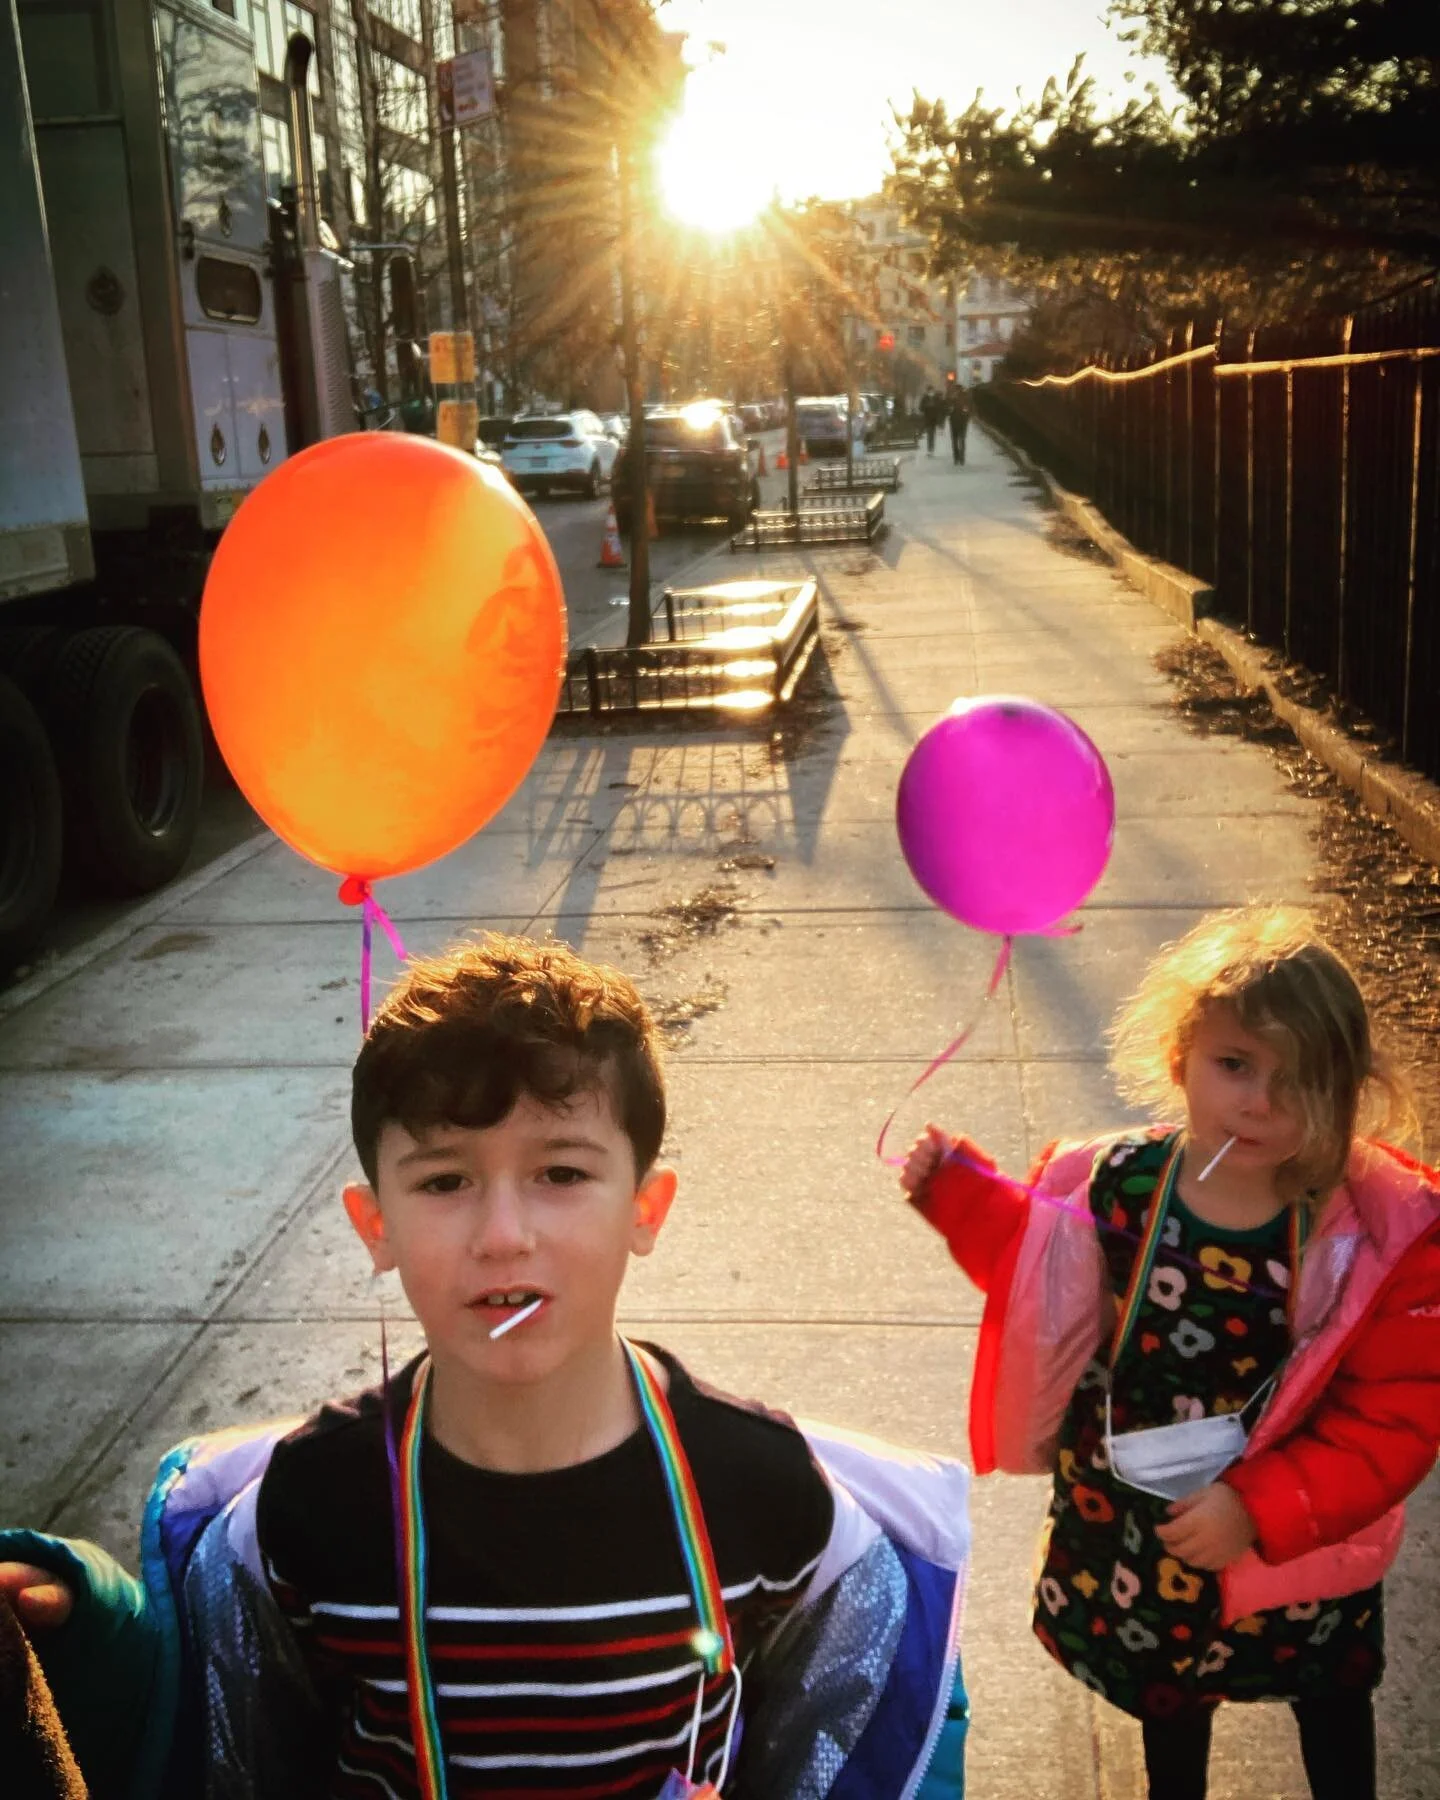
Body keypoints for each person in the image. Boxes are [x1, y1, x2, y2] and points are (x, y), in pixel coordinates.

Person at [2, 934, 972, 1798]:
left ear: (646, 1207)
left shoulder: (764, 1492)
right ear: (374, 1226)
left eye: (561, 1172)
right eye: (445, 1179)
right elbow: (212, 1725)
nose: (504, 1235)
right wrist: (86, 1636)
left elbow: (858, 1720)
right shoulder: (304, 1508)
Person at [898, 906, 1440, 1800]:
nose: (1261, 1100)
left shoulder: (1365, 1228)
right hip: (1148, 1505)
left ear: (1345, 1089)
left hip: (1295, 1520)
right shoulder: (1122, 1182)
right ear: (1182, 1054)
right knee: (1173, 1697)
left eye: (1298, 1080)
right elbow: (1049, 1291)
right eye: (1236, 1065)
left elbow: (1392, 1420)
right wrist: (966, 1201)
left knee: (1327, 1691)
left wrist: (1259, 1510)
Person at [946, 384, 970, 465]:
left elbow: (969, 408)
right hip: (956, 422)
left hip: (960, 422)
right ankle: (958, 458)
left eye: (957, 390)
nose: (956, 392)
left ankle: (959, 458)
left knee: (959, 440)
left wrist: (966, 412)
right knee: (957, 441)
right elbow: (947, 408)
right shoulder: (952, 398)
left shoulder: (965, 397)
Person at [920, 385, 941, 454]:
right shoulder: (925, 398)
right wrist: (926, 406)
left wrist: (935, 407)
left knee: (932, 434)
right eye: (929, 391)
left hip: (934, 419)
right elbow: (921, 408)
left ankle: (932, 448)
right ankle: (929, 449)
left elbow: (939, 407)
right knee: (929, 433)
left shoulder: (936, 398)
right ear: (927, 391)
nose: (930, 392)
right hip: (928, 418)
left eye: (931, 391)